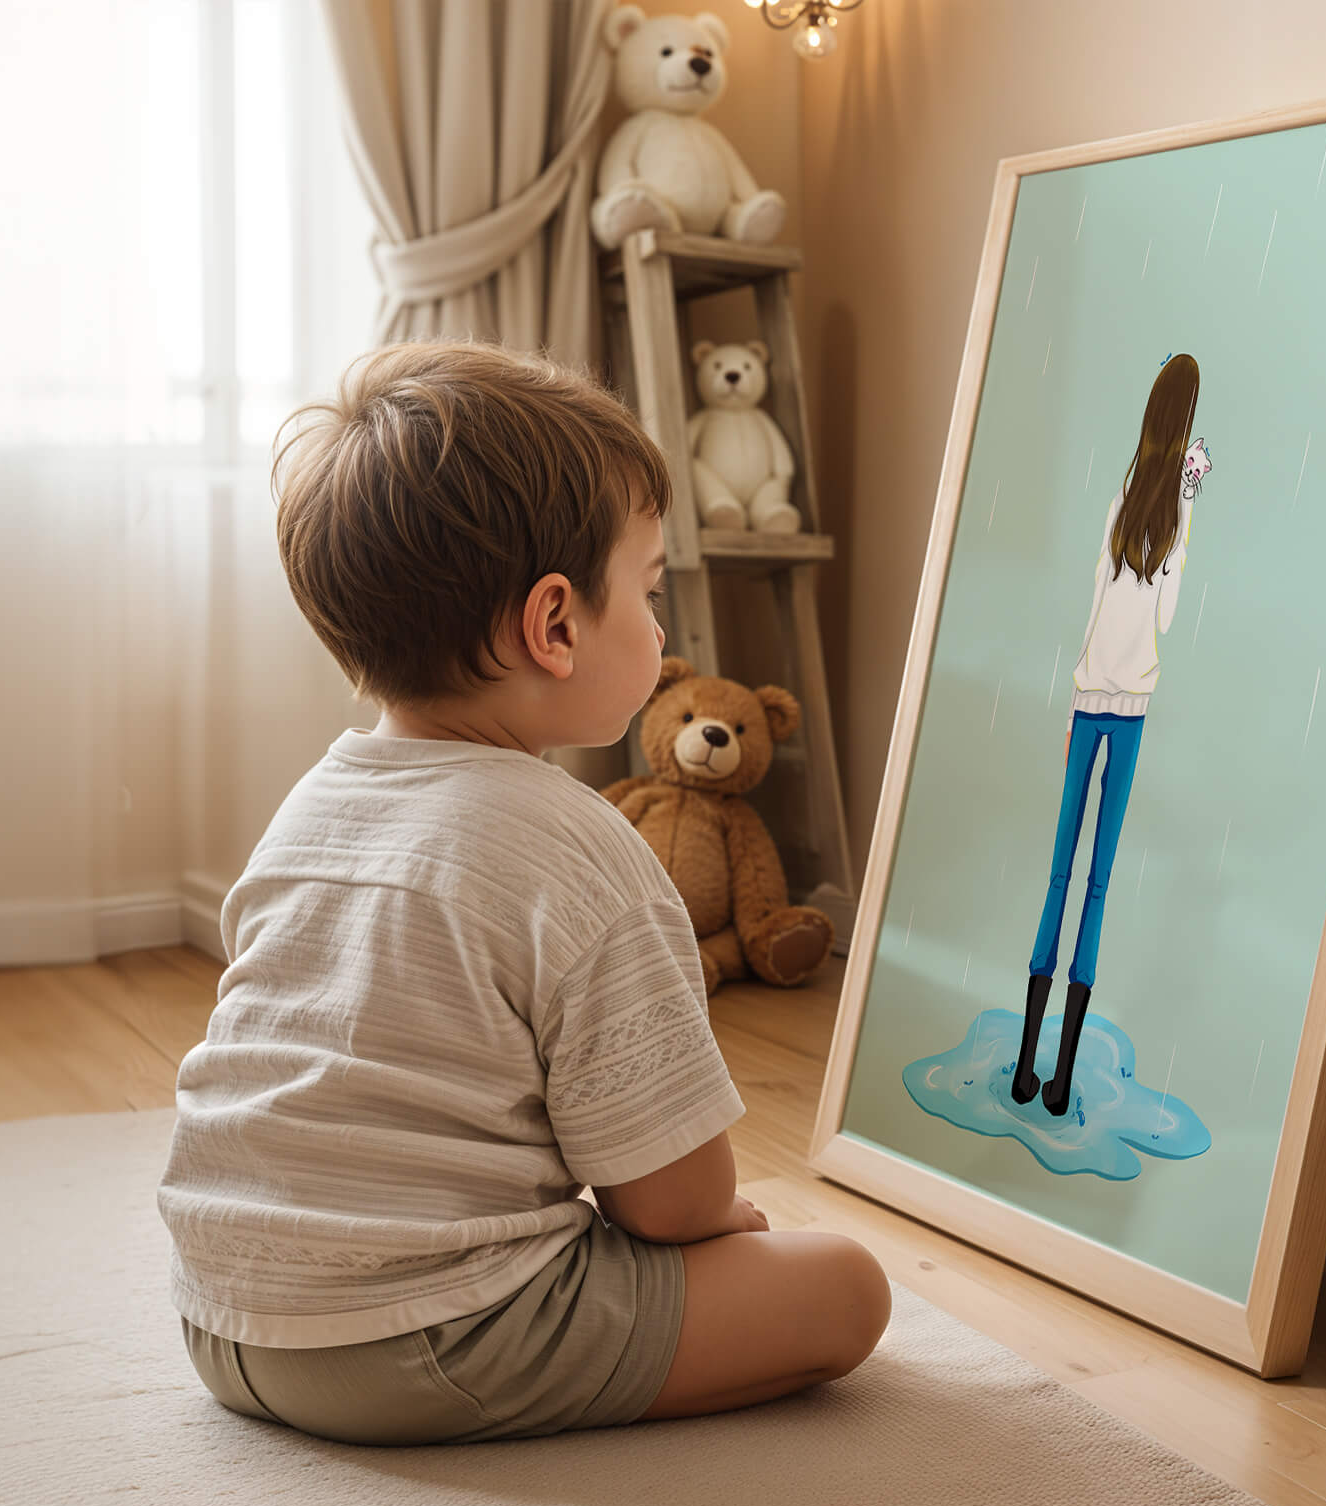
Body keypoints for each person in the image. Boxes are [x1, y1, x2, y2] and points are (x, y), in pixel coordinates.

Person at [156, 338, 889, 1447]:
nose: (660, 630)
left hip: (224, 1319)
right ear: (553, 627)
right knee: (843, 1286)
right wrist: (718, 1228)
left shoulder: (312, 804)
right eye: (647, 593)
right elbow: (668, 1202)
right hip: (418, 1339)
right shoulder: (577, 847)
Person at [1013, 353, 1204, 1118]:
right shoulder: (1180, 495)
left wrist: (1069, 708)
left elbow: (1099, 597)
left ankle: (1027, 1067)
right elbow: (1166, 614)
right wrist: (1190, 497)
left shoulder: (1125, 497)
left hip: (1089, 695)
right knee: (1096, 881)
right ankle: (1059, 1082)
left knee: (1060, 875)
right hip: (1131, 708)